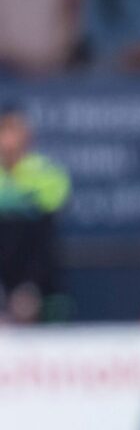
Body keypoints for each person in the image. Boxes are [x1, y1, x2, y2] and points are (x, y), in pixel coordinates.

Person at [0, 102, 71, 323]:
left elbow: (50, 203)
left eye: (15, 129)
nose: (9, 137)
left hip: (33, 269)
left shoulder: (47, 171)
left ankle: (28, 292)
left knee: (30, 225)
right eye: (5, 129)